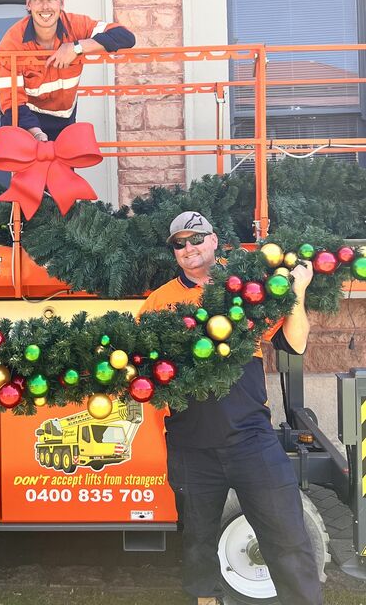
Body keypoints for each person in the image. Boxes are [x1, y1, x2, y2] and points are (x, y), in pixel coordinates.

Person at [138, 212, 322, 605]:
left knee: (288, 537)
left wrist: (298, 292)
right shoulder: (158, 302)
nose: (189, 248)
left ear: (215, 239)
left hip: (252, 441)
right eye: (179, 243)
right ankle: (205, 600)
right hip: (191, 447)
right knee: (197, 542)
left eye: (196, 238)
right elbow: (145, 371)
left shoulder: (246, 286)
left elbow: (295, 343)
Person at [0, 0, 135, 141]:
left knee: (65, 168)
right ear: (28, 4)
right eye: (38, 0)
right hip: (24, 122)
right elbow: (11, 104)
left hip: (64, 120)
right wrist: (38, 135)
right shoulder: (11, 43)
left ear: (62, 2)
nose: (45, 7)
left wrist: (76, 47)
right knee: (32, 167)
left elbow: (125, 37)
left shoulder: (76, 25)